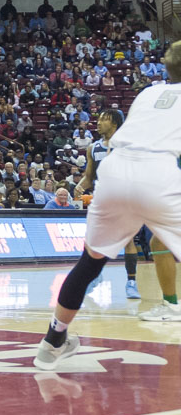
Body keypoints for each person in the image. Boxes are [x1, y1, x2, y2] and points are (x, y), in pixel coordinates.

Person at [34, 40, 181, 370]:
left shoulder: (148, 93)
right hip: (158, 173)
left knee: (89, 263)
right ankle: (172, 304)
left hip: (115, 171)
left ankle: (52, 341)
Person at [76, 109, 140, 299]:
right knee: (92, 241)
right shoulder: (93, 148)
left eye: (104, 119)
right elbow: (89, 177)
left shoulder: (127, 146)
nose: (98, 122)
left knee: (128, 240)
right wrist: (79, 187)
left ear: (114, 123)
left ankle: (131, 282)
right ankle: (96, 276)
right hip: (101, 200)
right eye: (99, 118)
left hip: (124, 198)